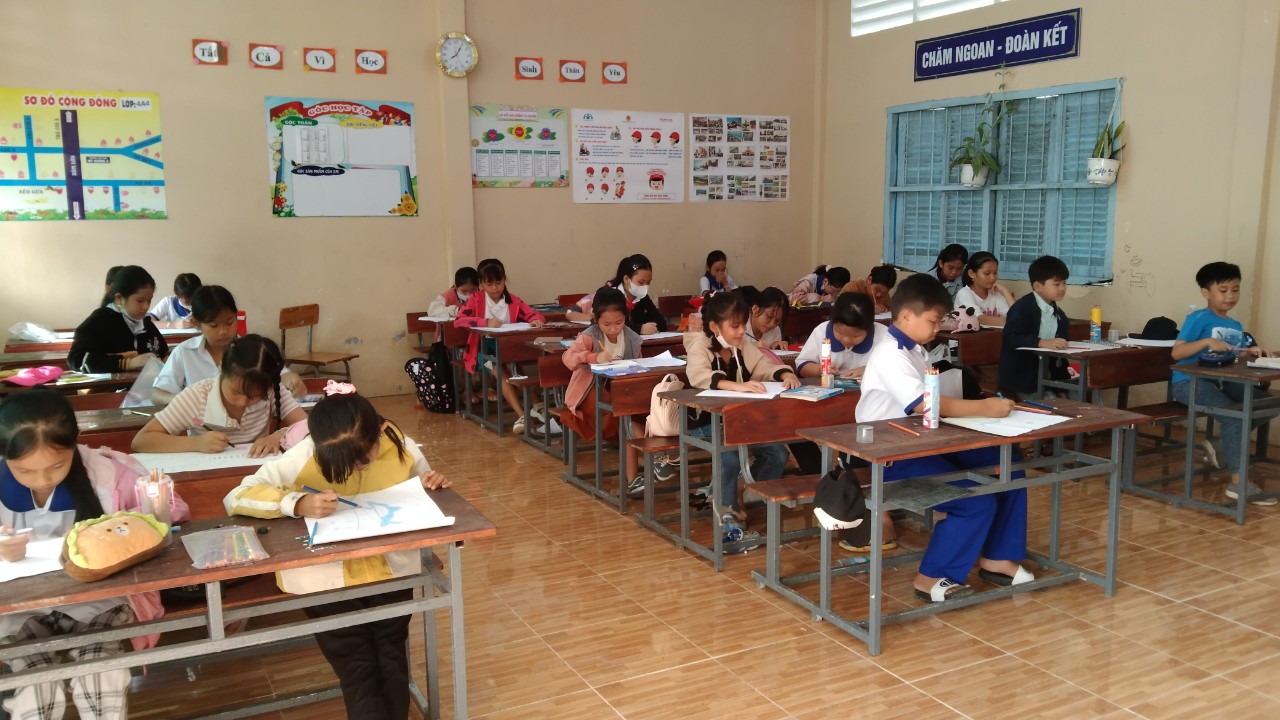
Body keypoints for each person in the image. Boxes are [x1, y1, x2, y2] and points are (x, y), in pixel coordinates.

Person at [223, 382, 450, 720]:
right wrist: (297, 502)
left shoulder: (401, 447)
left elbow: (422, 488)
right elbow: (237, 497)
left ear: (380, 432)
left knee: (391, 655)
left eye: (363, 459)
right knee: (357, 666)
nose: (357, 468)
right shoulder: (305, 454)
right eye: (344, 462)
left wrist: (433, 483)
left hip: (391, 570)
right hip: (326, 580)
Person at [0, 390, 190, 720]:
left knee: (101, 677)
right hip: (21, 611)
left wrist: (119, 524)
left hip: (100, 603)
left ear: (74, 444)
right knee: (35, 688)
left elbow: (174, 511)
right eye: (24, 471)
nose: (42, 480)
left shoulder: (107, 472)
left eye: (56, 465)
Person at [857, 273, 1028, 602]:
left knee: (1009, 468)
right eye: (933, 321)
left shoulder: (916, 349)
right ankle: (931, 577)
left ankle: (996, 557)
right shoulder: (890, 353)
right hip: (893, 454)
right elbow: (925, 403)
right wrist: (986, 407)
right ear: (907, 315)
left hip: (928, 441)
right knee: (974, 502)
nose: (937, 329)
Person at [684, 292, 801, 538]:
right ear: (715, 326)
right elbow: (698, 376)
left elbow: (762, 366)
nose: (741, 331)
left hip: (738, 420)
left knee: (778, 454)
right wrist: (736, 386)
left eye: (743, 325)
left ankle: (739, 489)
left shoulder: (741, 345)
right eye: (734, 326)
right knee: (729, 457)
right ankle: (727, 511)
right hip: (704, 421)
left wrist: (785, 374)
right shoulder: (700, 345)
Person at [1171, 261, 1276, 505]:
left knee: (1269, 403)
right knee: (1234, 416)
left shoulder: (1235, 325)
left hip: (1221, 381)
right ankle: (1238, 484)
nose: (1230, 296)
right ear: (1206, 292)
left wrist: (1251, 351)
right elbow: (1177, 352)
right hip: (1189, 383)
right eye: (1224, 290)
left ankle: (1220, 443)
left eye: (1235, 289)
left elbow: (1231, 356)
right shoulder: (1198, 318)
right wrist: (1207, 341)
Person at [131, 334, 306, 458]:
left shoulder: (272, 390)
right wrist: (196, 443)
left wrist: (278, 436)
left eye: (254, 397)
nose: (242, 402)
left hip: (256, 472)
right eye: (236, 392)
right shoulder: (197, 396)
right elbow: (141, 440)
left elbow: (308, 425)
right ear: (222, 369)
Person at [561, 288, 662, 495]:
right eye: (606, 324)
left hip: (621, 397)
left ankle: (643, 470)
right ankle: (653, 463)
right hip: (590, 398)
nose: (614, 329)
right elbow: (568, 359)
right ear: (596, 319)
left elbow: (639, 365)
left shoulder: (632, 338)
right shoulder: (589, 336)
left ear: (626, 317)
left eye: (619, 322)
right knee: (628, 416)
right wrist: (592, 357)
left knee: (633, 416)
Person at [151, 286, 305, 405]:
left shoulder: (252, 348)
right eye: (214, 325)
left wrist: (293, 380)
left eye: (230, 322)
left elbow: (283, 374)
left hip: (250, 428)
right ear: (196, 324)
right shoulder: (184, 352)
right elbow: (158, 395)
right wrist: (187, 400)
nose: (224, 331)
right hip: (204, 431)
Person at [454, 259, 546, 432]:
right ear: (481, 284)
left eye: (499, 282)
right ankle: (522, 415)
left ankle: (536, 405)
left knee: (514, 365)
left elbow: (536, 315)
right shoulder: (476, 299)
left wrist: (535, 320)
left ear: (504, 279)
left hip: (506, 348)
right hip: (481, 351)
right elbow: (459, 321)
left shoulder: (513, 301)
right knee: (498, 369)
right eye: (489, 284)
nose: (495, 288)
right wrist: (485, 322)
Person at [69, 265, 168, 373]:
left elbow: (162, 353)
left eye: (149, 300)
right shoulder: (99, 321)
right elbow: (76, 360)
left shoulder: (145, 322)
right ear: (119, 298)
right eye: (140, 301)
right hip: (113, 383)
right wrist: (126, 363)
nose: (146, 307)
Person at [999, 256, 1070, 398]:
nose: (1062, 288)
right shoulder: (1022, 307)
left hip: (1047, 381)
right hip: (1021, 382)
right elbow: (1011, 337)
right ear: (1037, 286)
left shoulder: (1060, 316)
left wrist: (1062, 387)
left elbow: (1059, 356)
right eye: (1056, 284)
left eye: (1064, 283)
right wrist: (1041, 342)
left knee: (1075, 400)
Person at [795, 292, 887, 379]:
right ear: (832, 322)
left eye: (855, 336)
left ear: (869, 328)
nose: (846, 340)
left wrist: (869, 370)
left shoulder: (884, 335)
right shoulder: (821, 331)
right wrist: (819, 369)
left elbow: (893, 367)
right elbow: (802, 366)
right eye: (840, 333)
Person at [569, 254, 668, 335]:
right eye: (641, 282)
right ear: (626, 279)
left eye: (648, 282)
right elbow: (612, 325)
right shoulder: (608, 295)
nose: (645, 286)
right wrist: (639, 328)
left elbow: (661, 322)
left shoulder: (642, 297)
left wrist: (650, 327)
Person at [955, 251, 1014, 325]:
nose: (993, 278)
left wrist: (1004, 290)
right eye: (987, 273)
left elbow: (1016, 314)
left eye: (995, 273)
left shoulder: (995, 295)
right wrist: (1011, 321)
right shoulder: (964, 294)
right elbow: (979, 319)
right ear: (972, 274)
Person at [739, 286, 789, 350]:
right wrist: (752, 346)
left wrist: (777, 347)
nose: (772, 324)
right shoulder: (739, 324)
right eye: (769, 316)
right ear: (755, 309)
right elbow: (729, 349)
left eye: (777, 321)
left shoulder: (775, 330)